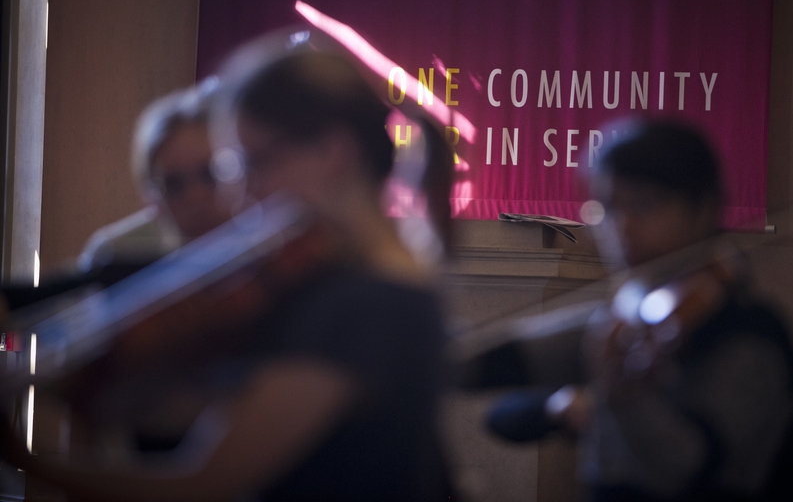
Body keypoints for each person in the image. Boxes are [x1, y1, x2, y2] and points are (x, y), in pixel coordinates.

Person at [2, 41, 455, 501]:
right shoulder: (341, 284)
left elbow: (203, 484)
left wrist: (20, 457)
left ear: (333, 153)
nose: (238, 196)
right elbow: (223, 409)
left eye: (251, 163)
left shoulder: (367, 303)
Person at [547, 119, 793, 501]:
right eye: (610, 207)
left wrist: (621, 399)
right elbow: (511, 365)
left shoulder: (750, 334)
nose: (623, 228)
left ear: (703, 208)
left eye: (645, 205)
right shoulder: (628, 312)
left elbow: (686, 471)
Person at [79, 78, 233, 273]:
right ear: (151, 200)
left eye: (210, 174)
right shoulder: (114, 257)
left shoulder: (272, 249)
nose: (195, 196)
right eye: (173, 185)